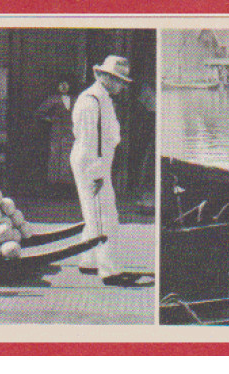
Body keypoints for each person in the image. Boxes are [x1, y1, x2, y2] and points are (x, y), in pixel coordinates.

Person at [72, 55, 138, 286]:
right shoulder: (93, 101)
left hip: (94, 160)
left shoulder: (101, 98)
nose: (121, 85)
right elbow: (94, 141)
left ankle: (88, 259)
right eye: (118, 80)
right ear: (106, 78)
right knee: (105, 215)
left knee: (93, 213)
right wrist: (98, 173)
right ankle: (110, 271)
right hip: (93, 162)